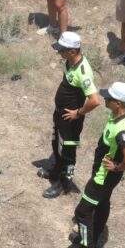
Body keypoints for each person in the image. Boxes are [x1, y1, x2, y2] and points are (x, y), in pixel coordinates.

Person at [60, 82, 125, 248]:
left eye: (109, 97)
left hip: (102, 178)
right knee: (102, 204)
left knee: (82, 212)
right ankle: (93, 236)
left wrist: (118, 167)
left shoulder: (122, 129)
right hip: (107, 178)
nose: (104, 98)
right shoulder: (122, 114)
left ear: (118, 103)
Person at [39, 32, 100, 198]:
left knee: (68, 152)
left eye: (62, 50)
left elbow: (95, 100)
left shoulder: (83, 71)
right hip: (60, 115)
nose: (59, 53)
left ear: (72, 51)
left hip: (70, 121)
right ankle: (56, 170)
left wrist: (78, 113)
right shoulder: (69, 62)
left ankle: (63, 184)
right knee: (56, 145)